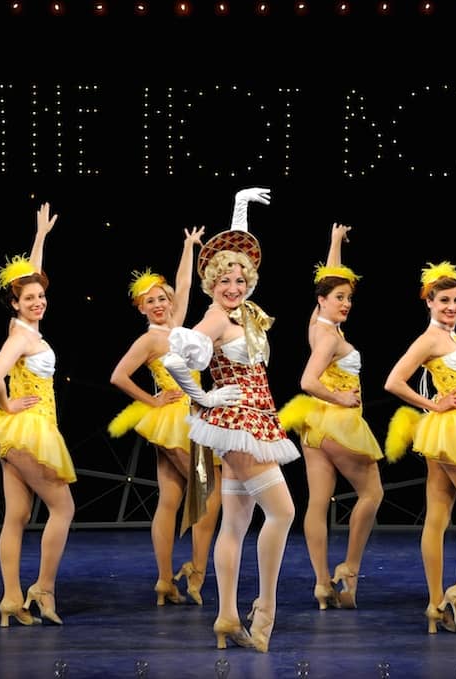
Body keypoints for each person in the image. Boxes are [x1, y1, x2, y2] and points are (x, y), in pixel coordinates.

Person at [162, 187, 300, 653]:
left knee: (236, 524)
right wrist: (201, 396)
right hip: (238, 421)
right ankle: (265, 608)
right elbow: (175, 357)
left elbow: (238, 243)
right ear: (211, 284)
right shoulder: (215, 320)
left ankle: (225, 616)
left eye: (240, 279)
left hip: (256, 417)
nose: (233, 286)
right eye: (224, 280)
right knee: (283, 511)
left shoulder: (242, 313)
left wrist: (239, 204)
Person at [0, 201, 76, 627]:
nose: (38, 301)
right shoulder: (22, 338)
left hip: (16, 435)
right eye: (29, 298)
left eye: (41, 296)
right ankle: (43, 588)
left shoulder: (24, 328)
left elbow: (30, 277)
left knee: (18, 516)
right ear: (14, 305)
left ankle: (11, 598)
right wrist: (6, 404)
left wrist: (40, 238)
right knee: (63, 509)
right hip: (30, 431)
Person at [383, 220, 456, 636]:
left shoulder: (449, 329)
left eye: (455, 301)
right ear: (428, 303)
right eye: (444, 301)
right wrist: (432, 403)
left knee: (438, 514)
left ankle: (436, 604)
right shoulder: (431, 339)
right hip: (453, 428)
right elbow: (393, 381)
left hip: (451, 429)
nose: (452, 306)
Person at [108, 225, 223, 607]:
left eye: (162, 298)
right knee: (210, 494)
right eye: (150, 302)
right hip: (177, 418)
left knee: (170, 499)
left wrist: (188, 246)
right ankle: (196, 571)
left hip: (188, 416)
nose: (158, 305)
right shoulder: (150, 339)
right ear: (141, 308)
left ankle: (164, 581)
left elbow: (185, 284)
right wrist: (152, 402)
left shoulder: (178, 328)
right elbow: (118, 376)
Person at [278, 223, 384, 611]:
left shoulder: (316, 325)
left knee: (318, 503)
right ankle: (349, 570)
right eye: (340, 297)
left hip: (313, 429)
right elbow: (307, 379)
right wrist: (339, 396)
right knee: (373, 493)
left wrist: (335, 241)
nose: (346, 303)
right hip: (337, 423)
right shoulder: (329, 338)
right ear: (322, 300)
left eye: (349, 298)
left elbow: (329, 280)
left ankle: (323, 584)